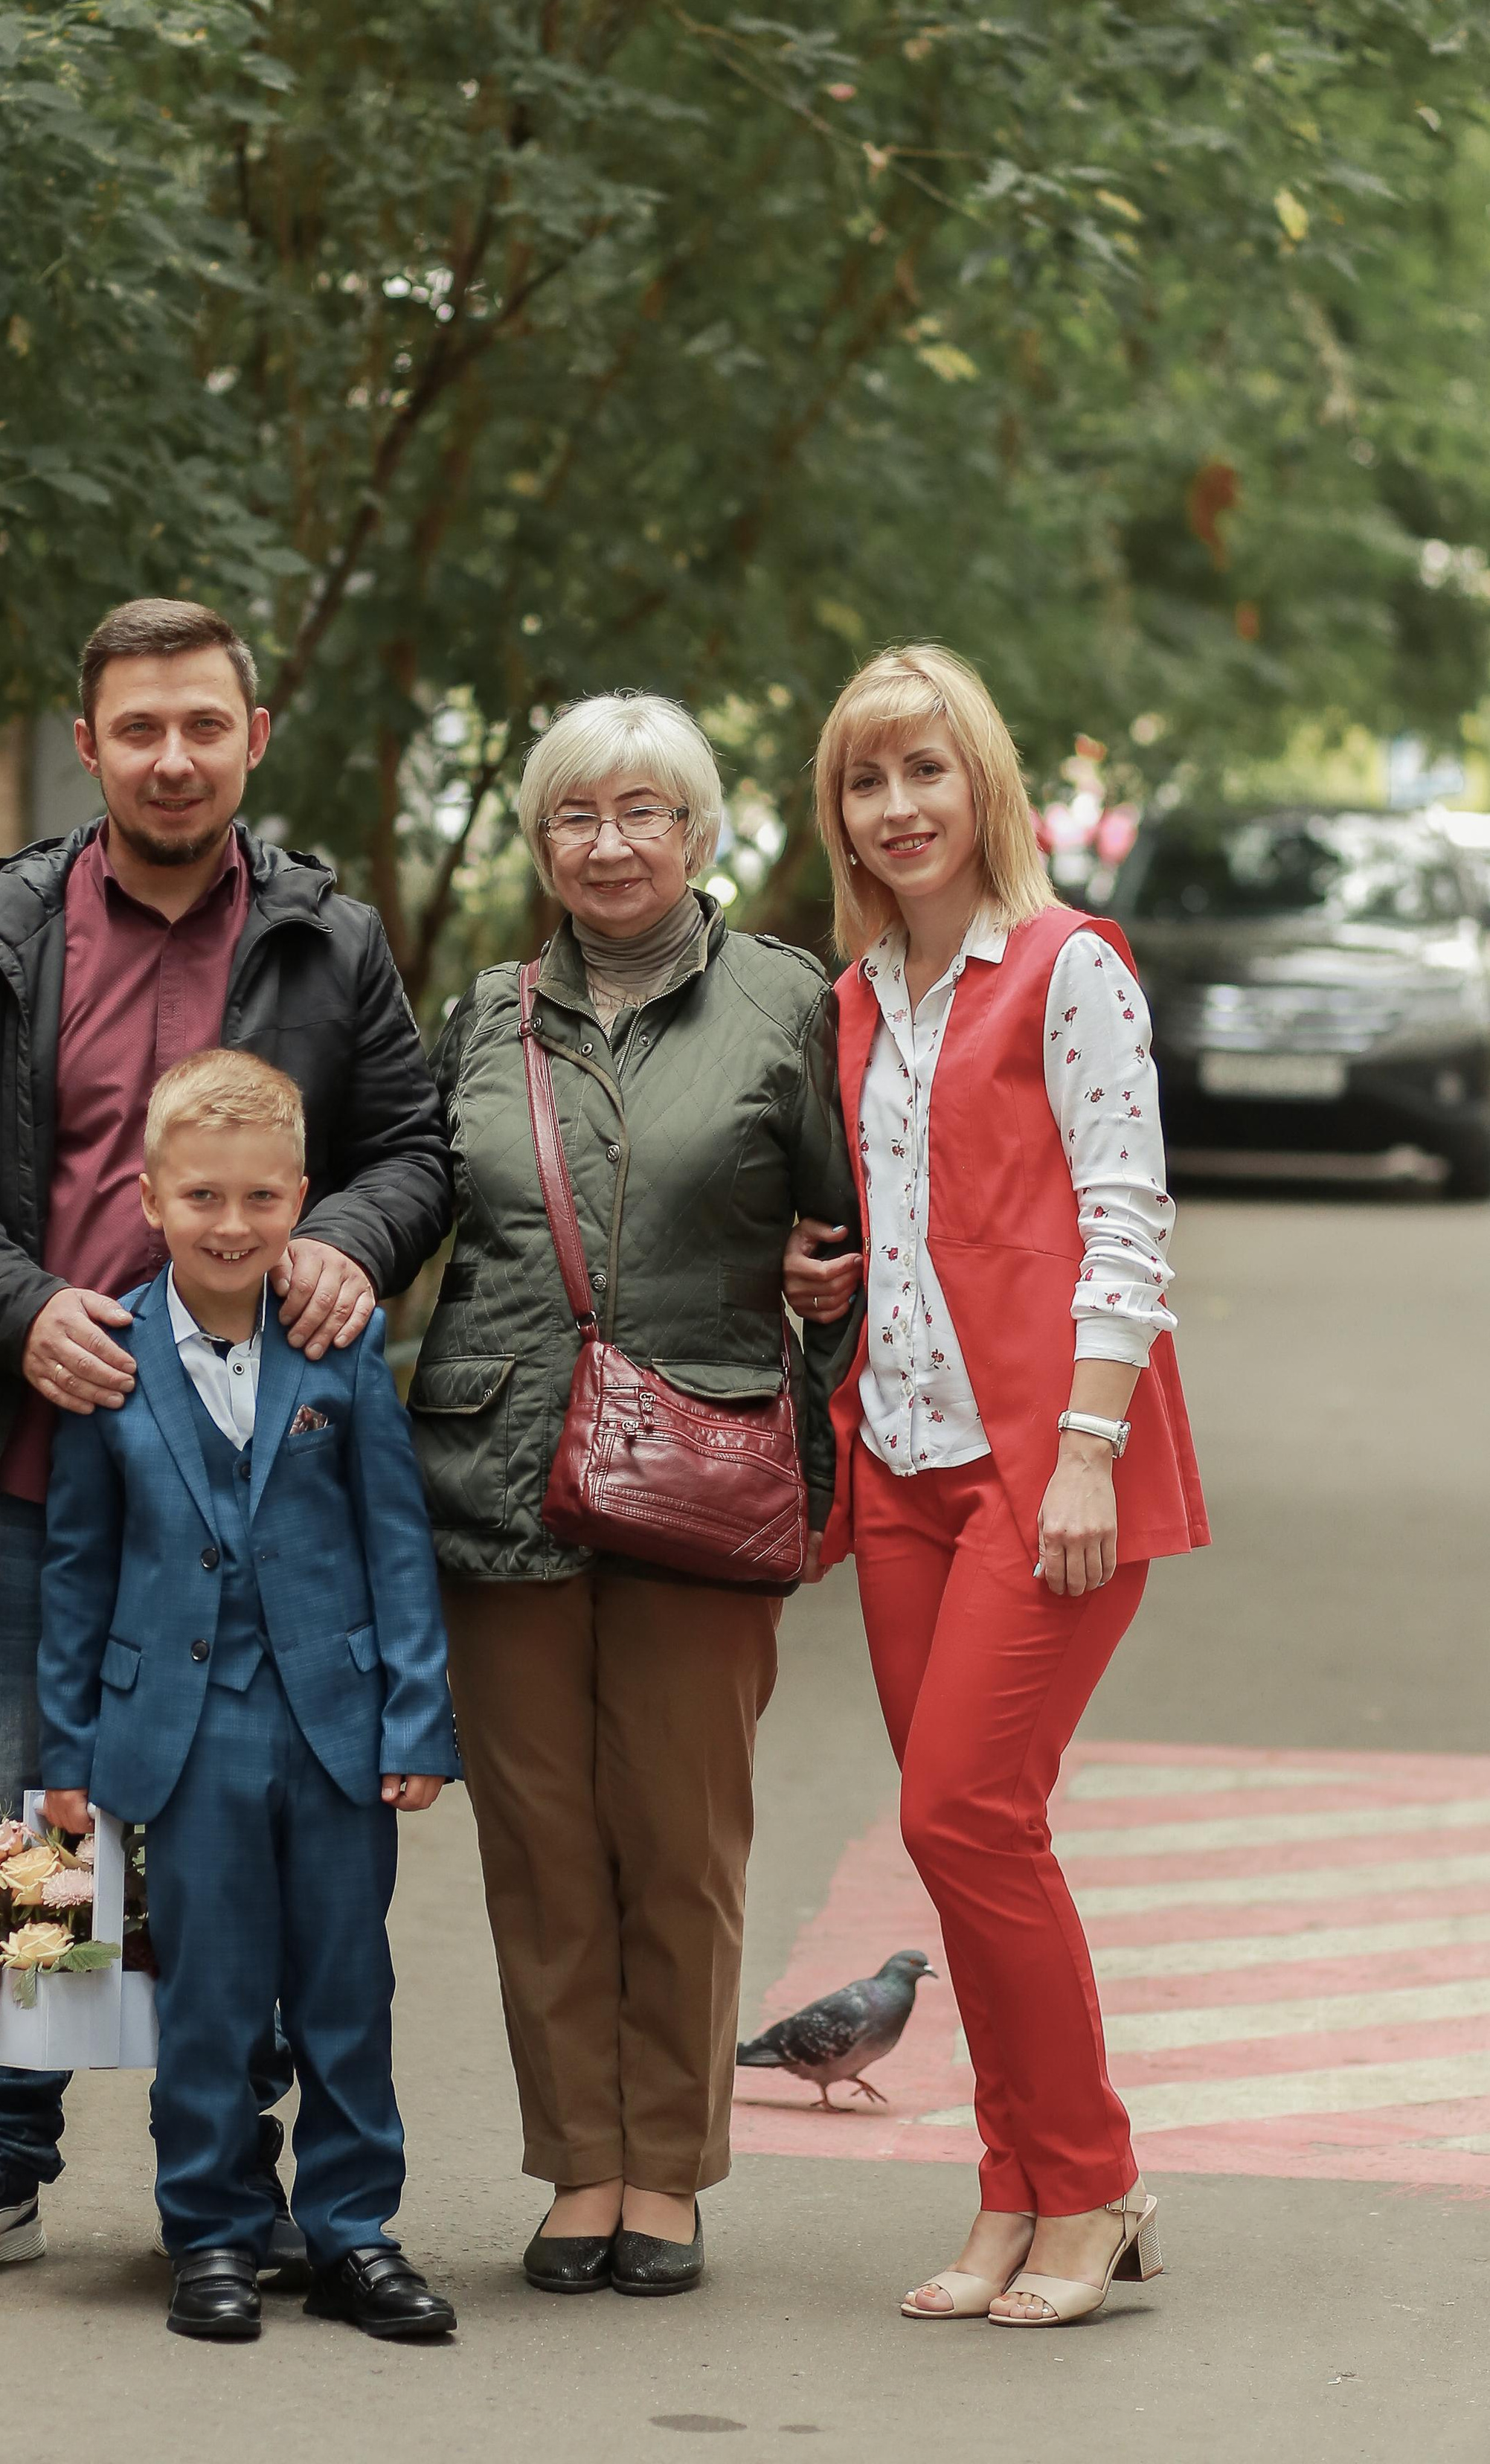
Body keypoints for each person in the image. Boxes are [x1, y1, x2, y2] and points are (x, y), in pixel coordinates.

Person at [0, 598, 452, 2285]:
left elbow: (410, 1147)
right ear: (88, 742)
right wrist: (18, 1305)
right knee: (38, 1834)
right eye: (139, 729)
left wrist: (345, 1235)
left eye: (204, 723)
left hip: (268, 1494)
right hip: (44, 1457)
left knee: (240, 1839)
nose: (172, 756)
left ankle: (239, 2189)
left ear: (253, 736)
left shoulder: (327, 942)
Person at [410, 691, 859, 2301]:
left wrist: (828, 1302)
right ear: (541, 845)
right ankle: (576, 2166)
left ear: (697, 832)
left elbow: (856, 1225)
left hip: (703, 1476)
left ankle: (663, 2168)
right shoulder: (482, 1016)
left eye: (640, 814)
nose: (607, 846)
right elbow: (409, 1205)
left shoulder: (786, 1008)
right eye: (575, 820)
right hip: (498, 1481)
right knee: (538, 1845)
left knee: (676, 1839)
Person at [784, 641, 1207, 2332]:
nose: (896, 808)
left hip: (1046, 1467)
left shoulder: (1065, 966)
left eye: (923, 772)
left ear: (983, 787)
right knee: (972, 1844)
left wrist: (1088, 1446)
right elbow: (919, 1210)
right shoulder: (850, 995)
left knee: (956, 1811)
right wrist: (838, 1283)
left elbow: (1124, 1212)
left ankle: (1087, 2182)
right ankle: (1013, 2186)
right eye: (863, 782)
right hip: (899, 1463)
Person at [40, 1050, 460, 2344]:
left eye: (261, 1201)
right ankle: (213, 2230)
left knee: (347, 1989)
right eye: (203, 1199)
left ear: (301, 1199)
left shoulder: (340, 1344)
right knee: (212, 2000)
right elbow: (76, 1567)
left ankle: (353, 2232)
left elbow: (397, 1543)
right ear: (151, 1200)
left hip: (335, 1727)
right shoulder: (108, 1355)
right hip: (181, 1734)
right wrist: (67, 1750)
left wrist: (417, 1718)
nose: (232, 1227)